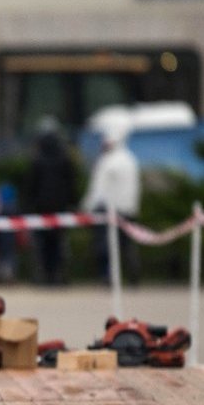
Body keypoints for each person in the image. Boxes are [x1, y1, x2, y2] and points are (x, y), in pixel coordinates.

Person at [82, 118, 141, 286]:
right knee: (127, 246)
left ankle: (108, 276)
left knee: (106, 247)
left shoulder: (107, 162)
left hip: (110, 212)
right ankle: (132, 276)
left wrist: (87, 208)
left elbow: (98, 190)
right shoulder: (131, 160)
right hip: (129, 210)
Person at [23, 120, 78, 285]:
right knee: (59, 244)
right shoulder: (65, 159)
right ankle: (59, 276)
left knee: (41, 245)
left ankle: (43, 276)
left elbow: (31, 185)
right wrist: (72, 203)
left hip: (41, 208)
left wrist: (28, 205)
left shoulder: (37, 159)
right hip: (61, 208)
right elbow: (71, 184)